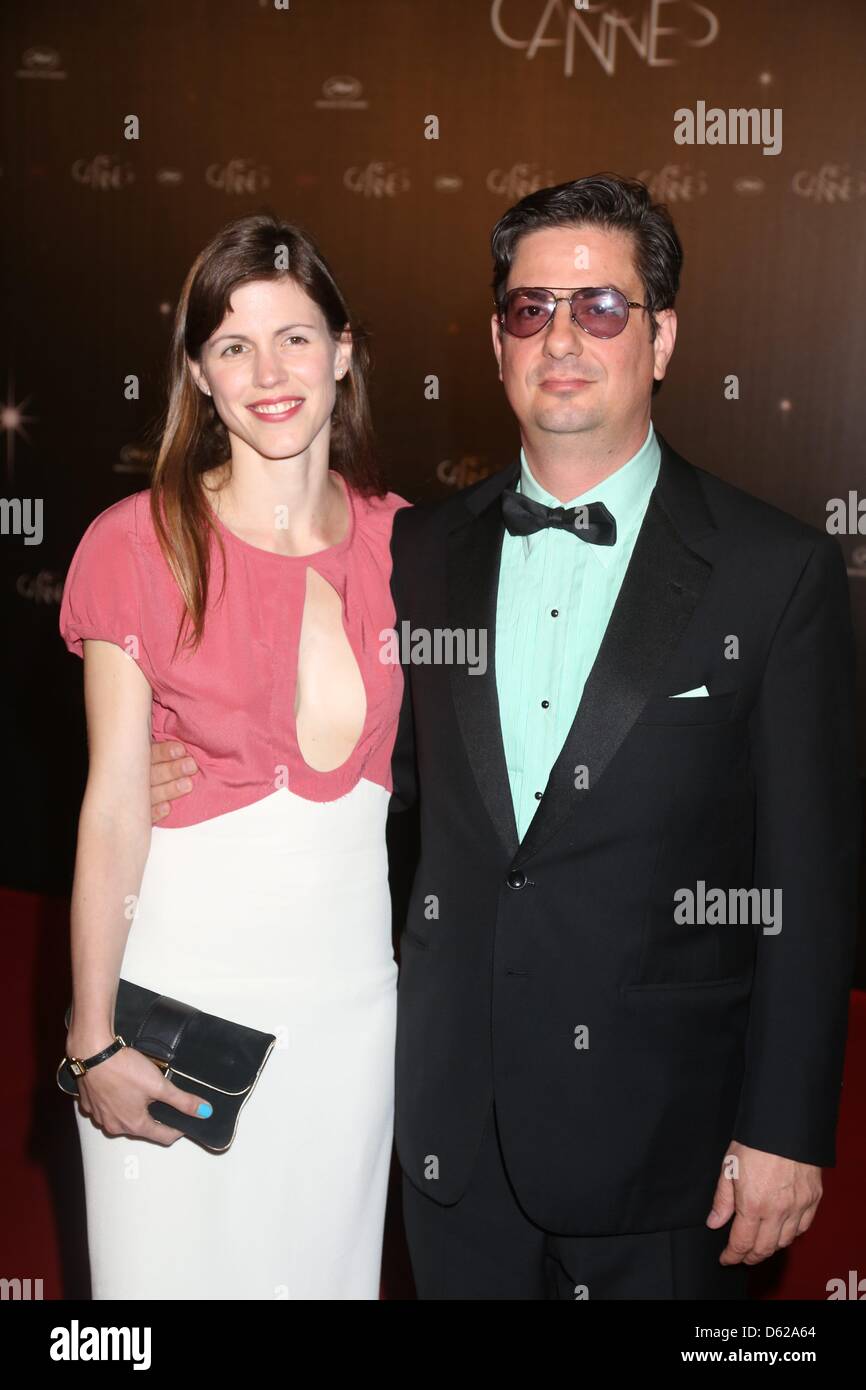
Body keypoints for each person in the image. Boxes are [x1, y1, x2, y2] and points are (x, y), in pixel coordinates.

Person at [151, 174, 861, 1301]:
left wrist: (785, 1127)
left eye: (602, 308)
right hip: (451, 1142)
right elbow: (363, 772)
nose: (562, 338)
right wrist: (174, 760)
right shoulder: (419, 551)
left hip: (667, 1154)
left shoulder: (772, 573)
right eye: (531, 309)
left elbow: (807, 883)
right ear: (496, 341)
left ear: (661, 336)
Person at [59, 212, 409, 1299]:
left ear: (343, 351)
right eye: (233, 345)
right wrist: (90, 1043)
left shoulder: (412, 548)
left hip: (350, 1015)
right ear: (199, 377)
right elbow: (114, 809)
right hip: (179, 1001)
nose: (269, 372)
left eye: (295, 337)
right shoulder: (137, 540)